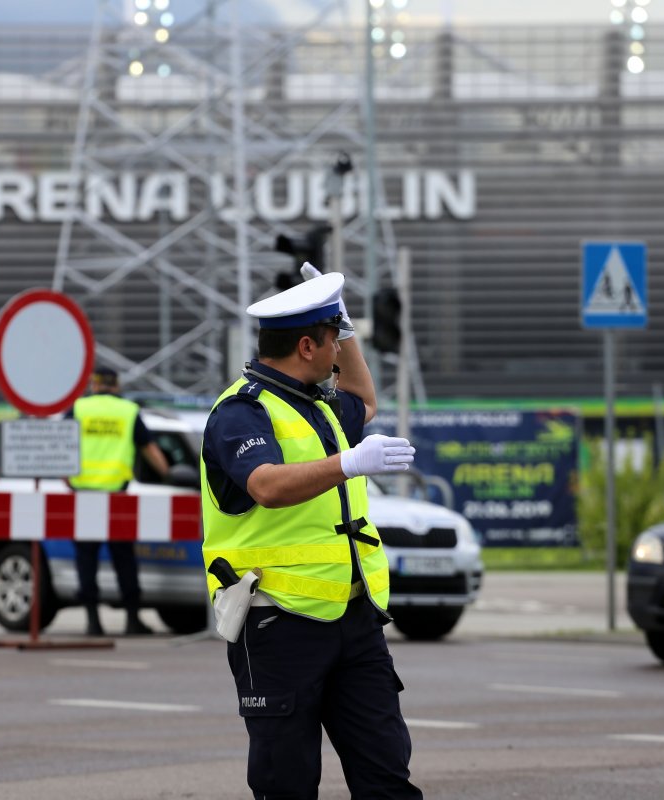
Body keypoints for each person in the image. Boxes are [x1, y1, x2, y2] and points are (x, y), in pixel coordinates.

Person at [200, 264, 424, 799]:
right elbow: (267, 485)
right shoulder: (241, 412)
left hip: (354, 620)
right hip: (279, 625)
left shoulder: (317, 405)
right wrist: (348, 464)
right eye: (333, 339)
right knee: (287, 784)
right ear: (306, 346)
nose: (339, 351)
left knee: (387, 777)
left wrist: (343, 327)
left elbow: (364, 398)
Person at [68, 365, 170, 636]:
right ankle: (132, 619)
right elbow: (151, 450)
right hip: (117, 497)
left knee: (86, 559)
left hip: (84, 495)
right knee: (124, 558)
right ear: (116, 384)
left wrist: (65, 477)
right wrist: (170, 476)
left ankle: (93, 621)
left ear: (93, 384)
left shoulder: (78, 409)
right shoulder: (128, 411)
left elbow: (61, 446)